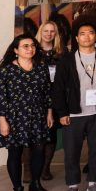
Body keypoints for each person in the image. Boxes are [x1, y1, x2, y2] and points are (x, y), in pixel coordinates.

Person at [51, 22, 96, 191]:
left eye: (90, 33)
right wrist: (62, 113)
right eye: (82, 34)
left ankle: (93, 182)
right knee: (72, 151)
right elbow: (58, 89)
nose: (87, 36)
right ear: (77, 38)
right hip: (74, 113)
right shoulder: (67, 60)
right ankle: (73, 184)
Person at [0, 35, 53, 191]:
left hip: (38, 116)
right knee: (15, 152)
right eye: (25, 46)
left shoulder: (41, 67)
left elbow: (47, 92)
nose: (30, 49)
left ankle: (35, 183)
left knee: (39, 150)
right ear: (15, 50)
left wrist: (49, 113)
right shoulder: (6, 70)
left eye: (32, 45)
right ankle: (17, 188)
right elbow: (0, 97)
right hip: (15, 118)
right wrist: (2, 121)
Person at [36, 21, 64, 180]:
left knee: (51, 133)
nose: (48, 34)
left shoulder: (61, 52)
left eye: (52, 31)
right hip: (36, 98)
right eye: (45, 31)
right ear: (41, 32)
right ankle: (30, 168)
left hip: (55, 97)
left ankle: (46, 168)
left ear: (56, 34)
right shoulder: (32, 50)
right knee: (35, 132)